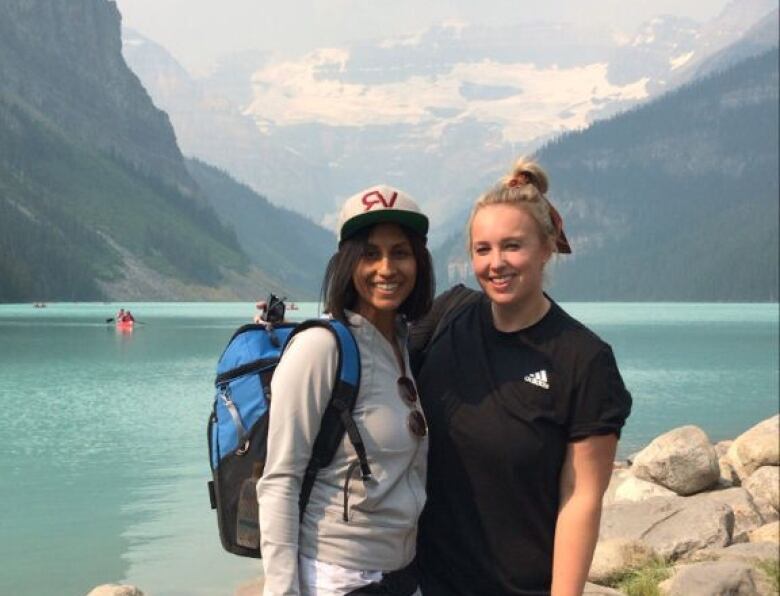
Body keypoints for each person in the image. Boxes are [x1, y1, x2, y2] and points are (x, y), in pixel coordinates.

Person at [410, 158, 632, 596]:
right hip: (421, 582)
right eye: (483, 249)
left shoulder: (583, 359)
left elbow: (581, 497)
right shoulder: (447, 314)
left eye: (513, 246)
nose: (496, 263)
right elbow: (380, 372)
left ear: (547, 248)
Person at [258, 185, 435, 596]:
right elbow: (280, 478)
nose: (386, 268)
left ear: (419, 263)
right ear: (347, 262)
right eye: (370, 253)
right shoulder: (321, 347)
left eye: (401, 252)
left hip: (400, 573)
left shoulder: (402, 344)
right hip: (337, 577)